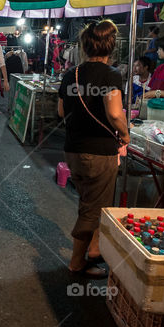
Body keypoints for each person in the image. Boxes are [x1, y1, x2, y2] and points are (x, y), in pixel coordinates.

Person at [57, 19, 128, 279]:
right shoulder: (111, 75)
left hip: (73, 149)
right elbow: (114, 113)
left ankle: (95, 250)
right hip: (99, 152)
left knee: (88, 200)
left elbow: (61, 111)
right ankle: (77, 263)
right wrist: (125, 133)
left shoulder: (70, 74)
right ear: (111, 46)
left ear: (85, 46)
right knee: (92, 208)